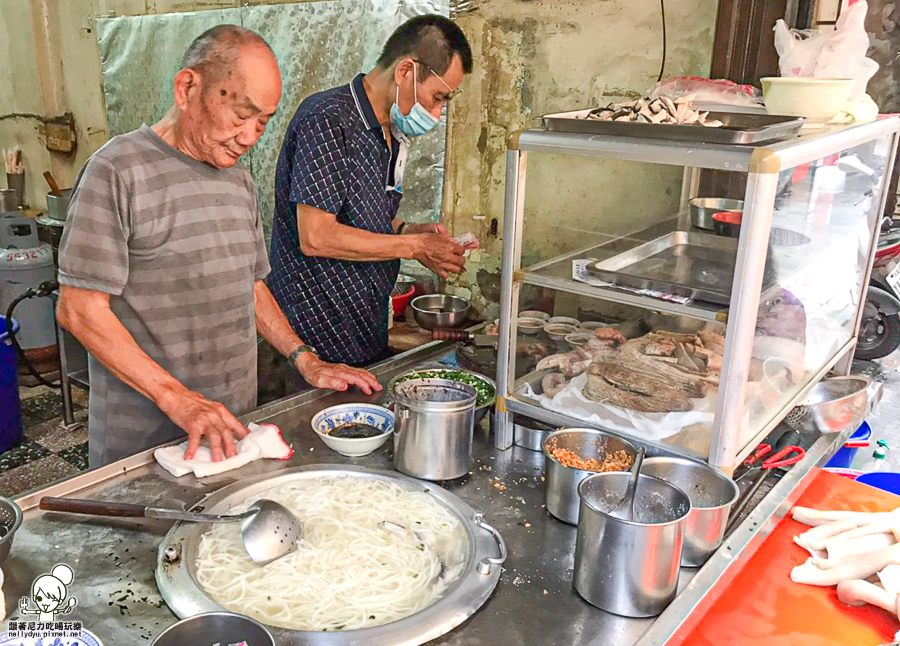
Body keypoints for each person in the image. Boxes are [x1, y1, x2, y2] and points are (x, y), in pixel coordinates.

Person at [56, 25, 380, 468]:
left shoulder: (238, 178)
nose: (250, 137)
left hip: (232, 434)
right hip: (144, 449)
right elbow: (79, 309)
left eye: (263, 122)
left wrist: (305, 359)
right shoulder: (116, 171)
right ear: (188, 87)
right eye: (241, 114)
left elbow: (249, 284)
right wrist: (180, 400)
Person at [267, 15, 474, 367]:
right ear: (406, 72)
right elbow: (315, 236)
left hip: (362, 330)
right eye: (438, 97)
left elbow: (361, 220)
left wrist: (409, 231)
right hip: (313, 341)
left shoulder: (390, 132)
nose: (437, 114)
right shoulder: (327, 119)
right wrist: (414, 247)